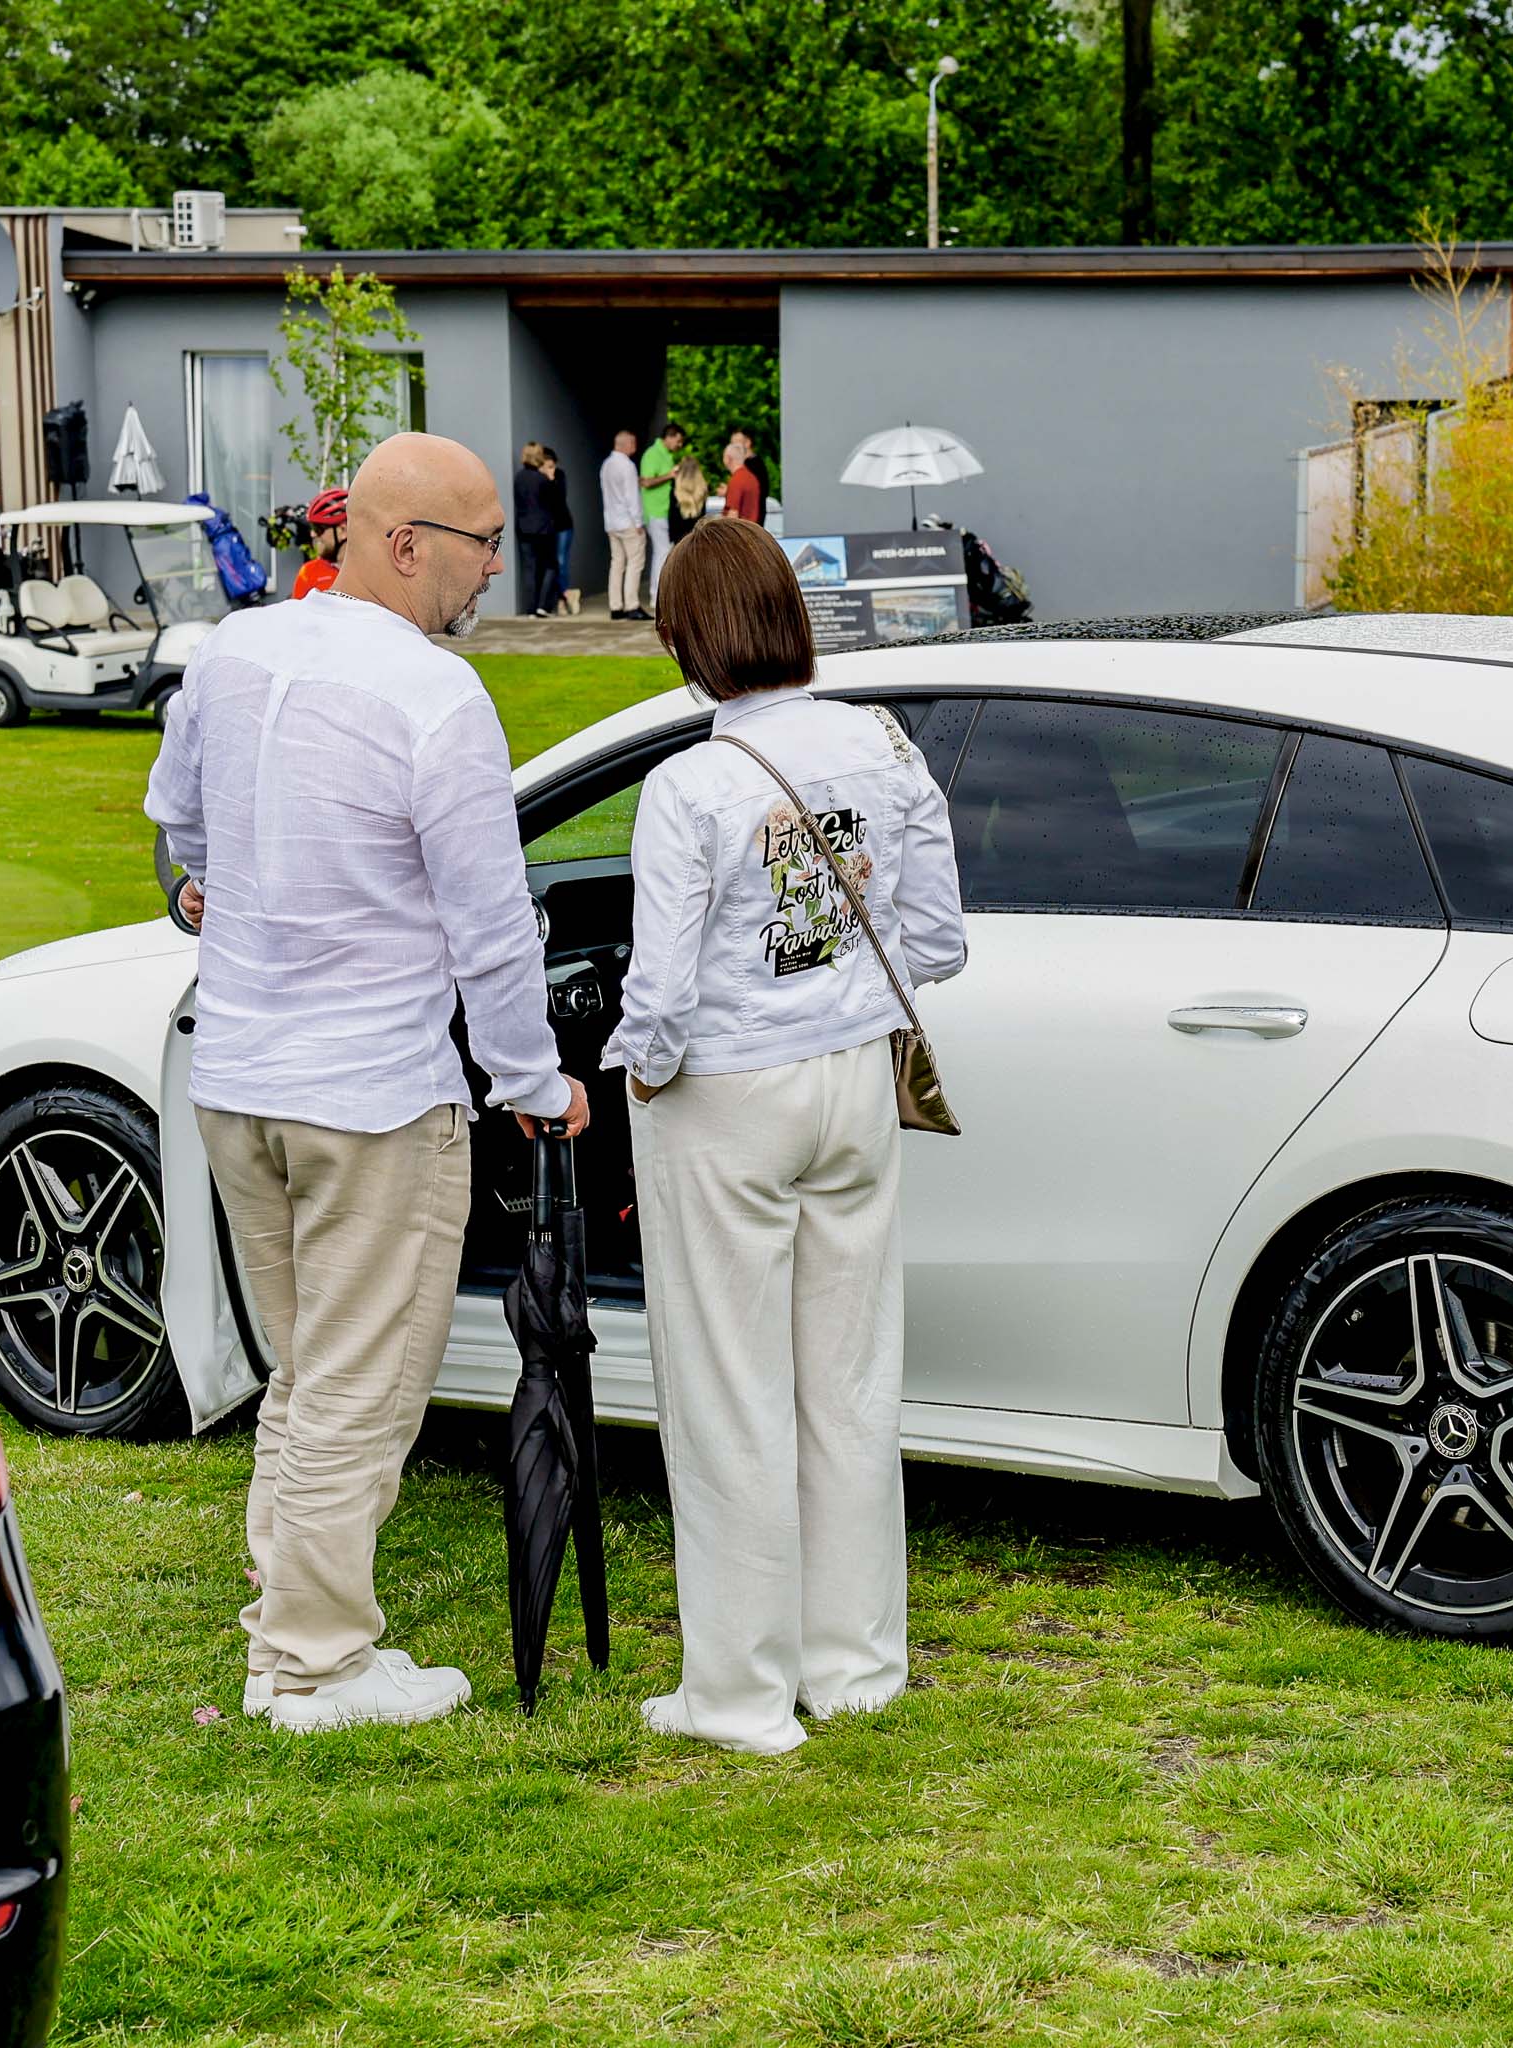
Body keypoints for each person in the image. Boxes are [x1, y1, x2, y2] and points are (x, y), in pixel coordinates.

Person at [146, 431, 591, 1736]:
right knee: (357, 1385)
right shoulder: (435, 697)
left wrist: (209, 894)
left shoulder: (233, 649)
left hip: (237, 1079)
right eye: (479, 548)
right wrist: (530, 1077)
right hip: (372, 1097)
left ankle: (279, 1631)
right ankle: (318, 1664)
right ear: (401, 544)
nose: (493, 573)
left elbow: (177, 822)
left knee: (305, 1372)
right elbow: (492, 923)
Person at [603, 519, 967, 1756]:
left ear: (690, 641)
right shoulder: (882, 743)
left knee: (729, 1395)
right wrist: (845, 997)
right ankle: (856, 1664)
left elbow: (655, 992)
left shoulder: (688, 785)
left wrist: (643, 1073)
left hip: (728, 1093)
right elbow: (940, 937)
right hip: (855, 1083)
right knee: (850, 1384)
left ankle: (742, 1695)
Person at [599, 429, 649, 619]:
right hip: (627, 522)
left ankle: (616, 606)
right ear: (625, 444)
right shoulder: (627, 466)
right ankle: (632, 605)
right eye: (633, 443)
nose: (635, 447)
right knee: (635, 562)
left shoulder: (606, 465)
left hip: (612, 522)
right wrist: (638, 522)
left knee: (617, 563)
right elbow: (631, 497)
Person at [515, 440, 561, 616]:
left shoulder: (519, 477)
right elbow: (555, 501)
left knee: (529, 569)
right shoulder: (542, 479)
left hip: (524, 529)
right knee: (550, 566)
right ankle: (543, 605)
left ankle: (530, 609)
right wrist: (551, 480)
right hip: (544, 529)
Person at [641, 421, 689, 594]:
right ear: (669, 437)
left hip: (665, 512)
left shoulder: (667, 455)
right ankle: (657, 595)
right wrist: (670, 475)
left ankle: (661, 593)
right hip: (655, 512)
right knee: (662, 553)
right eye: (678, 440)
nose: (680, 444)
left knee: (666, 552)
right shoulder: (652, 454)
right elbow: (645, 481)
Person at [537, 446, 578, 616]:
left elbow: (559, 499)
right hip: (548, 528)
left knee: (561, 562)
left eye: (552, 465)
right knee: (552, 565)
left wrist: (552, 479)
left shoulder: (559, 476)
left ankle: (563, 598)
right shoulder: (538, 478)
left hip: (563, 526)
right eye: (547, 466)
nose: (550, 469)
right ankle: (567, 595)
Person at [288, 488, 348, 599]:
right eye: (312, 528)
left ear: (343, 531)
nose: (312, 534)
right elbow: (296, 616)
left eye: (318, 528)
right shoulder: (308, 573)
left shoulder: (370, 572)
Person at [719, 432, 765, 527]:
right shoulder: (751, 477)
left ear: (728, 458)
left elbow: (733, 514)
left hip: (739, 532)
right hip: (752, 528)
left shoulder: (736, 480)